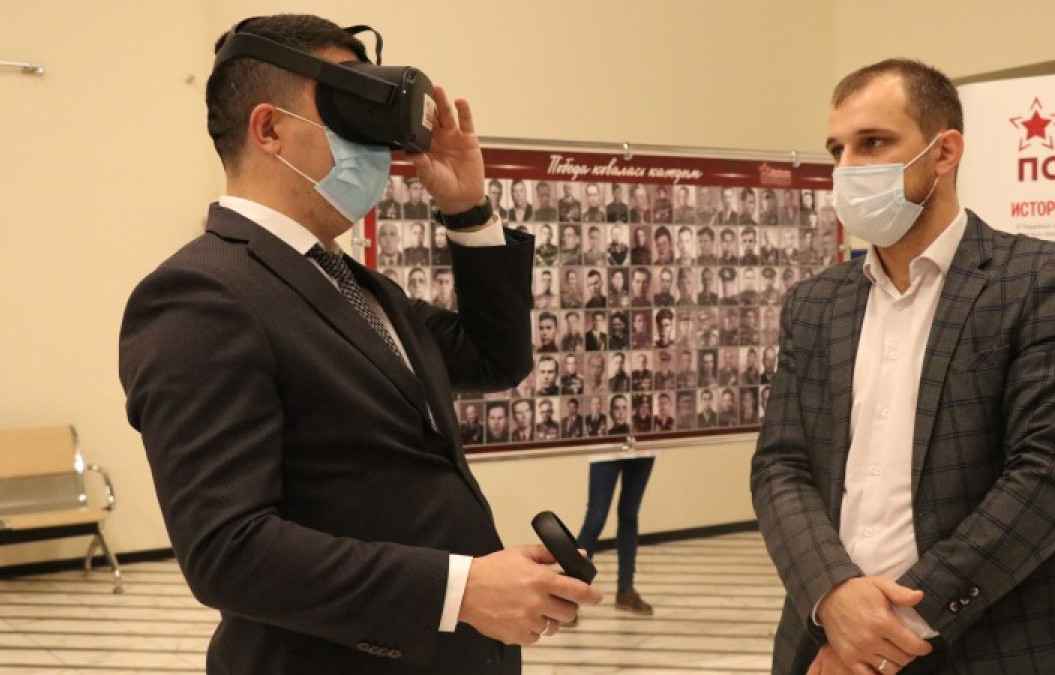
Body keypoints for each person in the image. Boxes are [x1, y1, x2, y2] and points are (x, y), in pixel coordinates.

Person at [118, 14, 598, 675]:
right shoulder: (201, 294)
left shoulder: (353, 285)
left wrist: (467, 211)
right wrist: (459, 590)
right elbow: (227, 550)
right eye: (348, 116)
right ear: (269, 129)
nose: (375, 150)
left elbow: (495, 356)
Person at [750, 58, 1055, 675]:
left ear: (944, 153)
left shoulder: (1042, 279)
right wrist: (832, 595)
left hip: (997, 644)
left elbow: (1048, 478)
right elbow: (780, 465)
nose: (847, 168)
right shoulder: (815, 303)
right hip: (826, 640)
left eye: (873, 143)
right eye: (837, 150)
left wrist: (884, 631)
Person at [574, 436, 656, 619]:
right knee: (595, 518)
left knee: (629, 516)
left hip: (643, 444)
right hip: (607, 444)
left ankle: (626, 590)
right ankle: (569, 595)